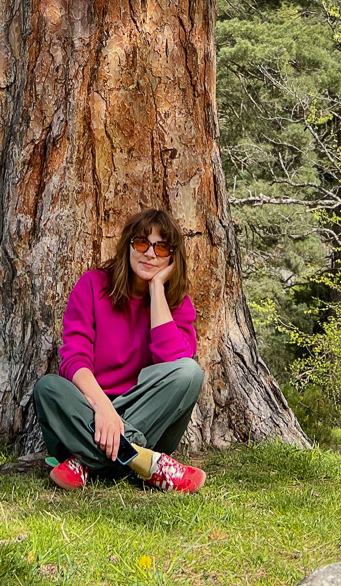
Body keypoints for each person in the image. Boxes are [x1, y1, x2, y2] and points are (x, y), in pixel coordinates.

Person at [32, 207, 207, 492]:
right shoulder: (92, 285)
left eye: (162, 247)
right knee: (48, 388)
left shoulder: (177, 304)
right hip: (92, 410)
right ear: (128, 246)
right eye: (141, 243)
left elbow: (172, 363)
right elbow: (74, 357)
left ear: (172, 258)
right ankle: (143, 462)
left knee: (190, 373)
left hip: (146, 416)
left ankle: (87, 460)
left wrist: (157, 289)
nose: (150, 254)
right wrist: (104, 409)